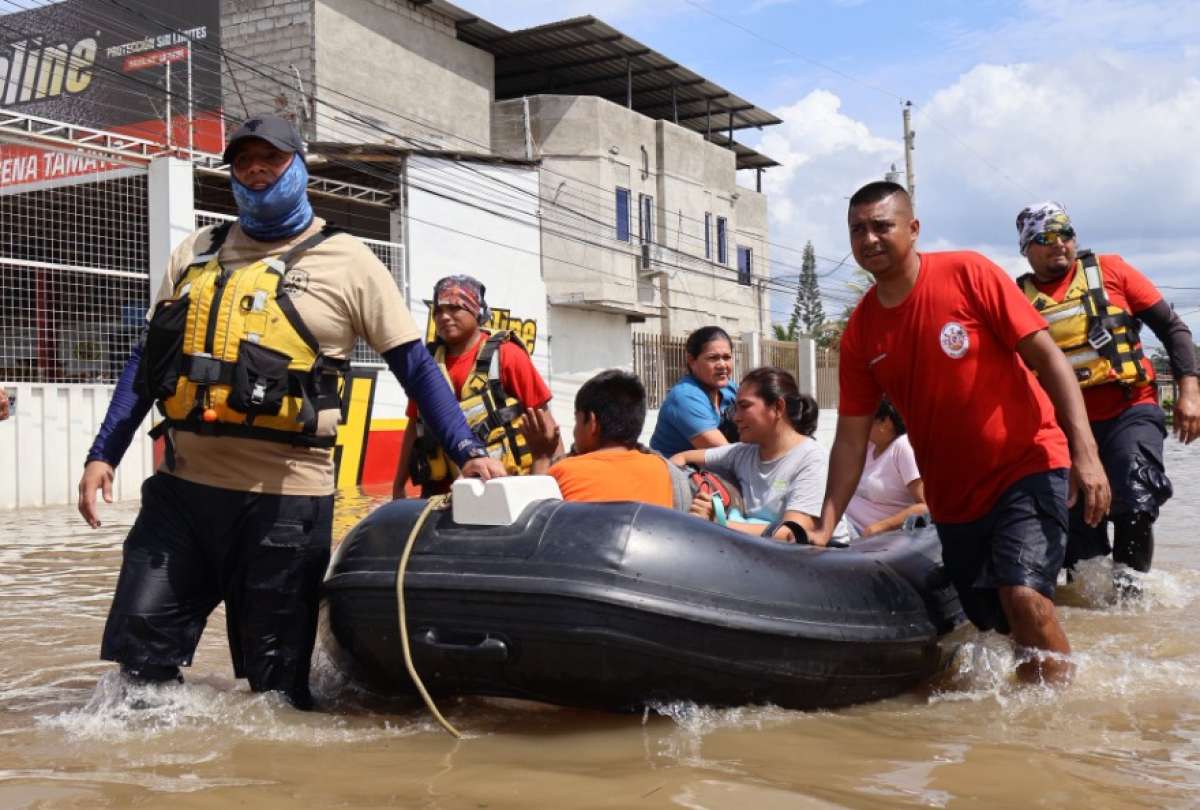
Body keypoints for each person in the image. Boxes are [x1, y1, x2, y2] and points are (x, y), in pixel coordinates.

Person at [75, 114, 505, 710]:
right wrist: (104, 453)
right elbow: (146, 364)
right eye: (243, 161)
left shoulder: (349, 262)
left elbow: (415, 366)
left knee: (276, 694)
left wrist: (467, 450)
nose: (255, 170)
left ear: (299, 167)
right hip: (181, 496)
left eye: (271, 159)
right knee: (138, 669)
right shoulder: (195, 252)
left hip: (285, 503)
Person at [806, 181, 1110, 685]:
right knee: (992, 623)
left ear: (913, 229)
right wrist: (825, 524)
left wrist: (1086, 452)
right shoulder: (860, 332)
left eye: (881, 226)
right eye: (857, 230)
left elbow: (1050, 358)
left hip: (1027, 463)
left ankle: (1058, 721)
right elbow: (851, 438)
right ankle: (1023, 705)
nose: (869, 239)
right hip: (954, 497)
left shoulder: (968, 273)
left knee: (1025, 597)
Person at [1015, 202, 1199, 585]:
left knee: (1135, 500)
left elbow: (1173, 329)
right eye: (1046, 237)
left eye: (1066, 233)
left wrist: (1189, 391)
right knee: (1079, 528)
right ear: (1026, 248)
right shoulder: (1015, 297)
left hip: (1129, 409)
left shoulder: (1112, 270)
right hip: (1062, 428)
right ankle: (1093, 609)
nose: (1059, 243)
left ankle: (1131, 600)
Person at [392, 275, 556, 499]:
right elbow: (414, 426)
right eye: (438, 311)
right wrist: (398, 487)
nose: (444, 317)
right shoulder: (427, 365)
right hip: (443, 496)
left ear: (476, 311)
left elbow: (546, 426)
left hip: (505, 490)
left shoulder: (507, 355)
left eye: (454, 308)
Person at [671, 367, 849, 544]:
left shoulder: (812, 459)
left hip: (819, 557)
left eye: (744, 406)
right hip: (762, 553)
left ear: (778, 407)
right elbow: (682, 457)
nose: (735, 417)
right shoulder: (742, 452)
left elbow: (791, 535)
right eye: (735, 408)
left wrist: (718, 523)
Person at [522, 369, 675, 508]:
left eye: (576, 421)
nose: (574, 431)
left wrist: (541, 458)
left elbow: (533, 522)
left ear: (592, 423)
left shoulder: (565, 473)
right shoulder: (662, 470)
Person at [844, 398, 928, 538]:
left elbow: (926, 506)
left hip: (865, 534)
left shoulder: (902, 447)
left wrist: (881, 526)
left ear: (885, 422)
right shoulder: (870, 447)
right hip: (846, 521)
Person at [649, 326, 738, 457]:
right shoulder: (685, 397)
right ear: (692, 361)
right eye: (713, 358)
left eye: (727, 357)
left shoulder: (729, 388)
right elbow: (725, 457)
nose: (722, 365)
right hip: (674, 468)